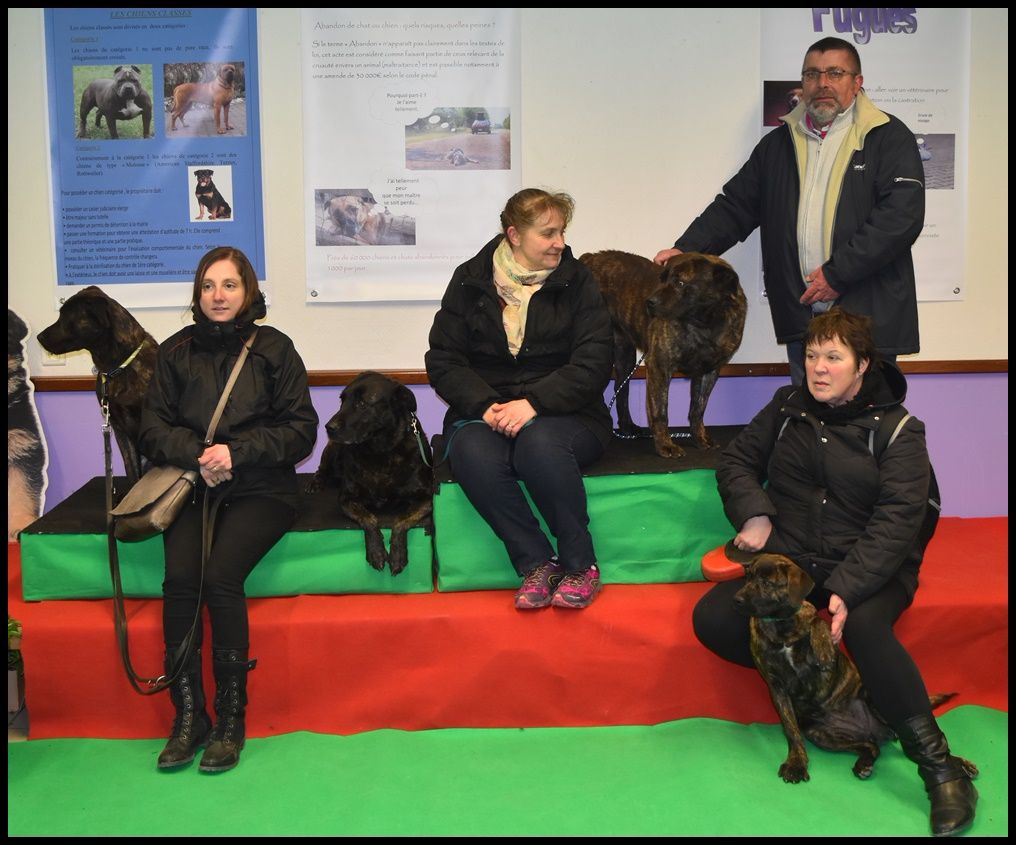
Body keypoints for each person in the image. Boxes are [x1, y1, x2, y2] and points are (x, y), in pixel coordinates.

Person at [694, 309, 977, 836]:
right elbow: (735, 463)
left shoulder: (900, 431)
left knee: (867, 629)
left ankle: (942, 771)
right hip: (797, 560)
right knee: (715, 619)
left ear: (862, 365)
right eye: (810, 356)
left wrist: (847, 589)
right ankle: (820, 694)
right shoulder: (786, 407)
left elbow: (898, 523)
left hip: (871, 563)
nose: (817, 369)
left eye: (833, 357)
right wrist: (753, 510)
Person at [655, 36, 925, 386]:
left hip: (869, 318)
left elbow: (900, 218)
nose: (822, 83)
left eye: (835, 73)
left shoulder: (889, 137)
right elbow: (735, 206)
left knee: (869, 424)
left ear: (857, 83)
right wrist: (686, 250)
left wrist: (837, 275)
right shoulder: (777, 145)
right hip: (804, 319)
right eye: (812, 74)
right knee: (809, 427)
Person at [139, 246, 318, 773]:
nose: (219, 296)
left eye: (230, 285)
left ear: (249, 292)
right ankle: (189, 716)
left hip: (262, 488)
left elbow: (299, 429)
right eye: (209, 286)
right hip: (191, 485)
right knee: (180, 582)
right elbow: (152, 428)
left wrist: (237, 453)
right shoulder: (173, 352)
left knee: (220, 580)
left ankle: (232, 720)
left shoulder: (276, 350)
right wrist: (198, 454)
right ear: (197, 293)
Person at [425, 188, 613, 610]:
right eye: (548, 233)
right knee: (471, 450)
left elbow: (594, 362)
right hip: (487, 413)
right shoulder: (470, 279)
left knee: (539, 443)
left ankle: (581, 565)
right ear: (514, 234)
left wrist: (535, 404)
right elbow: (443, 359)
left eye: (561, 232)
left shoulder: (579, 281)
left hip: (570, 414)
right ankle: (536, 562)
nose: (559, 243)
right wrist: (485, 404)